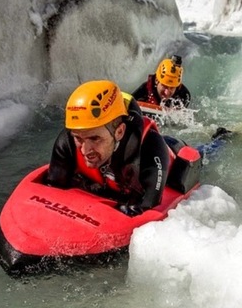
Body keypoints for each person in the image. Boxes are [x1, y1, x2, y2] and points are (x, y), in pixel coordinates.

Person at [45, 80, 173, 216]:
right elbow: (51, 191)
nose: (84, 150)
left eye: (95, 138)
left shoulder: (151, 148)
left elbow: (147, 213)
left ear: (119, 132)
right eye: (79, 138)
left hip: (170, 158)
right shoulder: (66, 142)